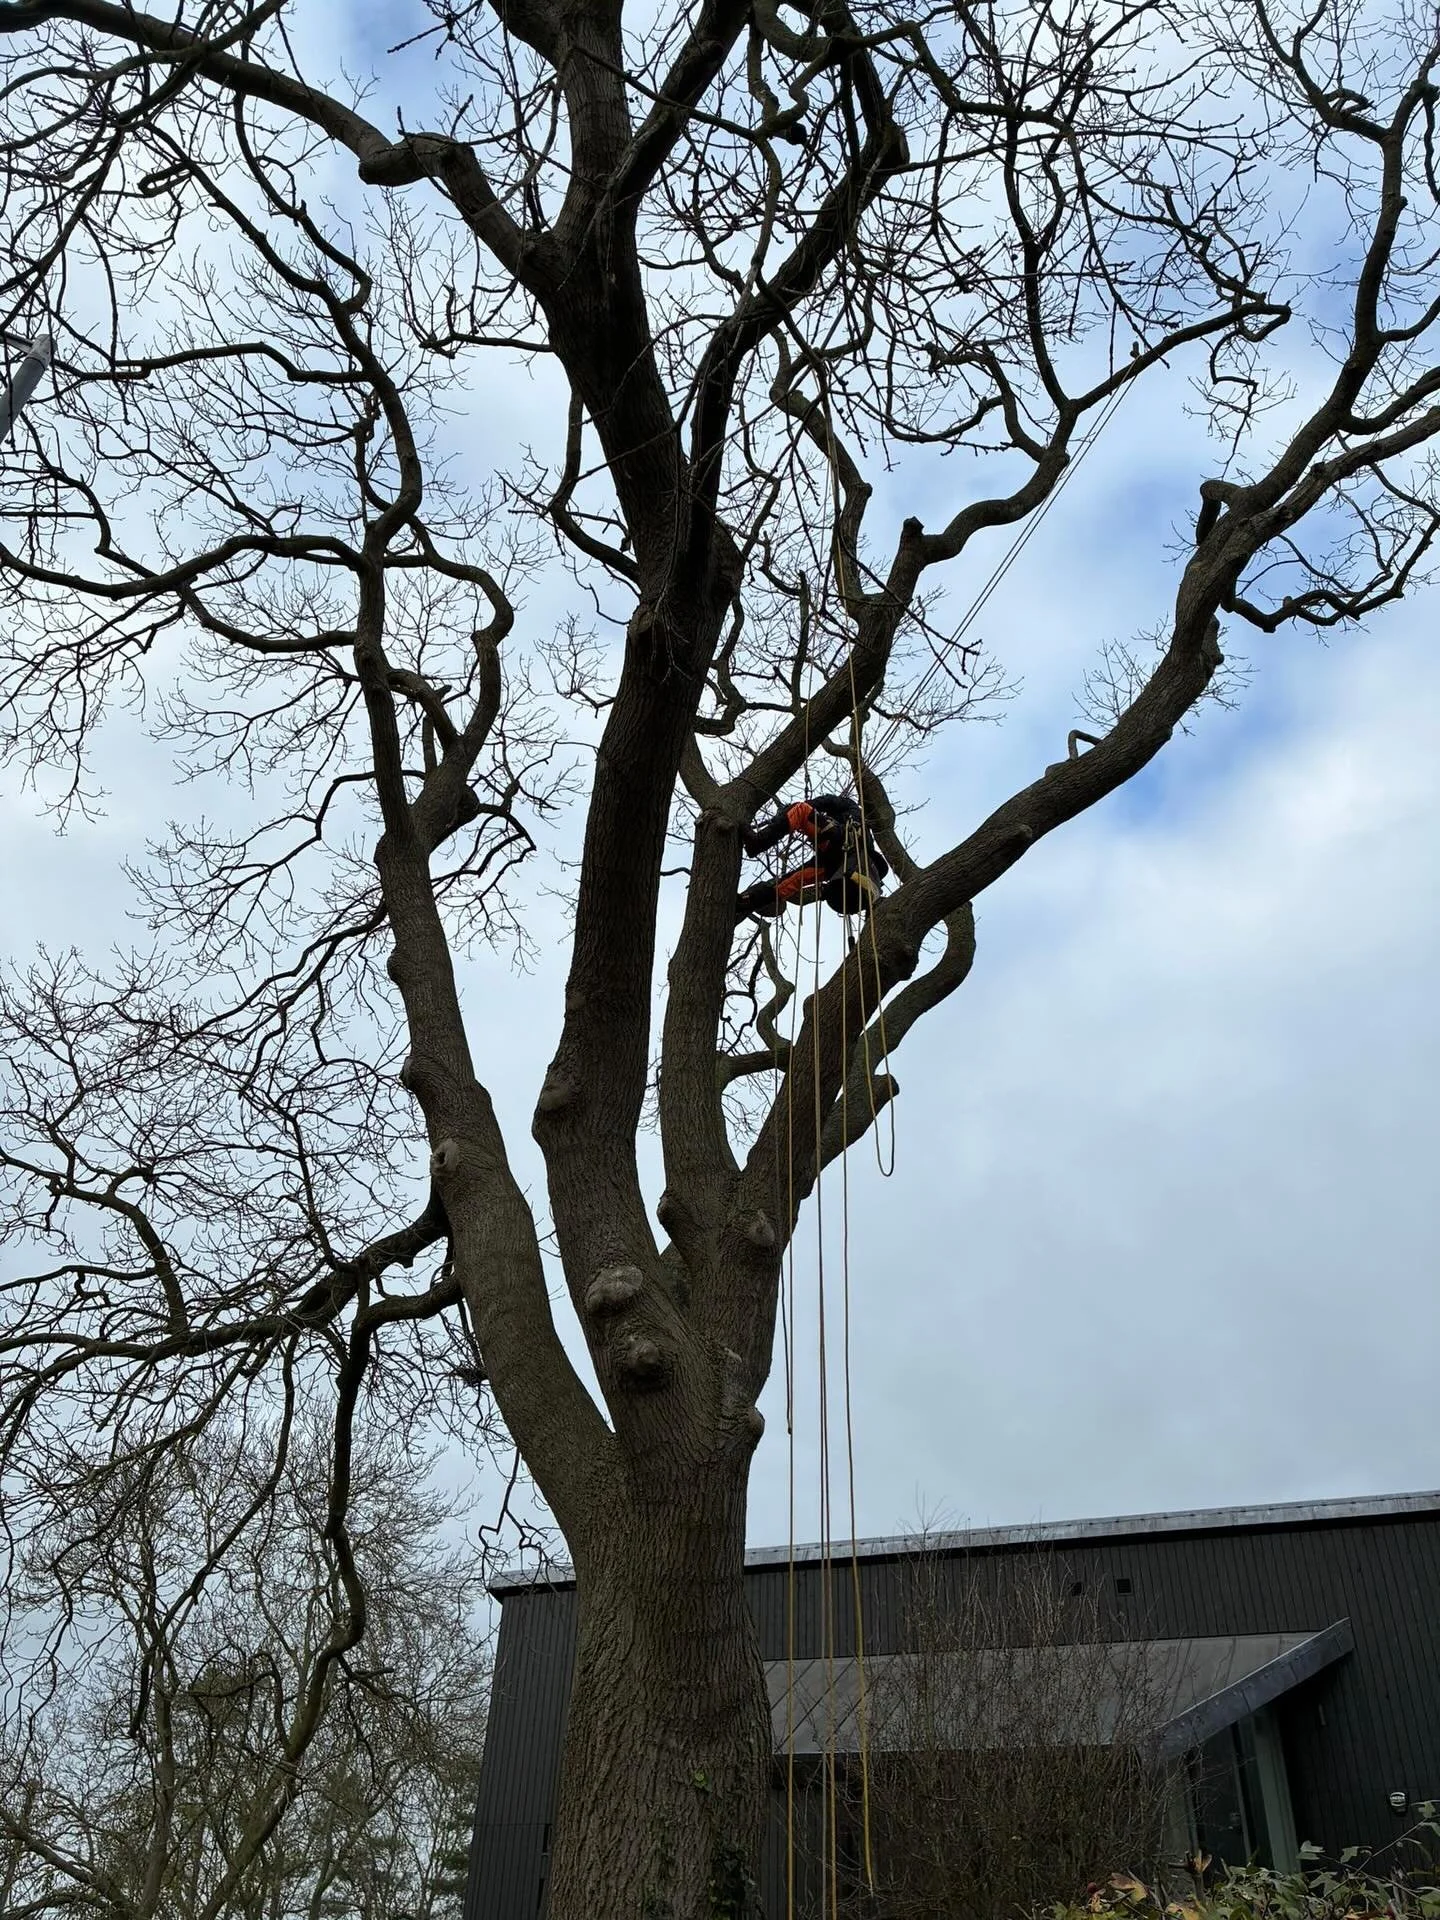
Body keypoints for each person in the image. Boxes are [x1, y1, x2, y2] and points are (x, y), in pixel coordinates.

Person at [735, 791, 889, 921]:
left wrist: (798, 808)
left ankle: (758, 842)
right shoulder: (865, 839)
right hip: (835, 865)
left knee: (801, 810)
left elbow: (828, 801)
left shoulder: (851, 808)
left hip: (840, 843)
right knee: (791, 881)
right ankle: (749, 901)